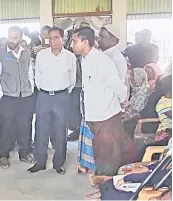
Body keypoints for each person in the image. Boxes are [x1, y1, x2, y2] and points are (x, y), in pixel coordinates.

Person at [70, 27, 129, 176]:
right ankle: (103, 189)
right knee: (100, 155)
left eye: (74, 41)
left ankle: (108, 192)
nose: (71, 45)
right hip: (94, 116)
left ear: (86, 42)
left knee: (109, 157)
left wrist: (123, 102)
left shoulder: (101, 60)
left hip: (107, 116)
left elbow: (117, 86)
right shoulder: (85, 58)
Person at [28, 27, 76, 174]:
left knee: (60, 130)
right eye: (50, 38)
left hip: (61, 96)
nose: (53, 41)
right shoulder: (41, 55)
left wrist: (62, 92)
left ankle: (58, 163)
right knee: (41, 129)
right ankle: (40, 161)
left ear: (62, 39)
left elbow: (72, 79)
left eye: (56, 37)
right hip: (43, 96)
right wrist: (44, 90)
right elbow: (37, 75)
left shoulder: (70, 56)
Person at [0, 26, 35, 169]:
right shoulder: (0, 54)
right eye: (10, 37)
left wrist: (30, 90)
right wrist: (1, 95)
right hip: (8, 97)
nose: (12, 40)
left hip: (25, 96)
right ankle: (3, 155)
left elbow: (30, 74)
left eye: (15, 37)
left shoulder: (26, 53)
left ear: (20, 38)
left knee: (25, 126)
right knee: (6, 126)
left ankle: (25, 152)